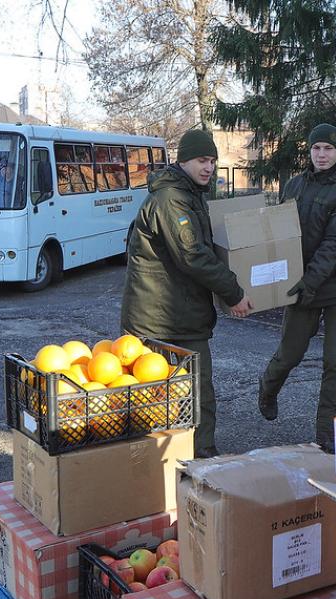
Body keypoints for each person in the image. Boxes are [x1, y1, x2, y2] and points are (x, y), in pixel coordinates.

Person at [120, 129, 254, 458]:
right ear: (183, 161)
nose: (208, 167)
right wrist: (234, 293)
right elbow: (193, 256)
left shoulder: (189, 194)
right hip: (160, 323)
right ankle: (185, 466)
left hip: (181, 317)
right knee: (168, 400)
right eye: (201, 160)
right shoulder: (171, 199)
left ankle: (195, 462)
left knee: (195, 395)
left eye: (212, 161)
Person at [257, 123, 336, 453]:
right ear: (310, 151)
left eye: (328, 149)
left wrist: (310, 281)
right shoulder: (293, 186)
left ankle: (326, 429)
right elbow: (278, 236)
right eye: (316, 148)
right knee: (289, 354)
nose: (322, 154)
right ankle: (268, 388)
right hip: (300, 286)